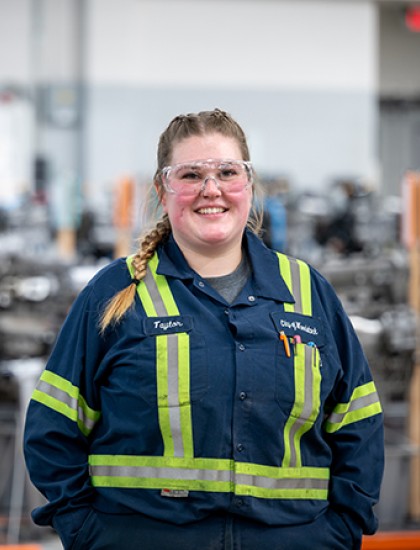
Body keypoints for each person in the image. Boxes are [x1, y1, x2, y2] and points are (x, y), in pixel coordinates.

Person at [24, 108, 384, 550]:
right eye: (190, 174)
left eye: (228, 172)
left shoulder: (308, 293)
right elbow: (52, 429)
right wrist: (88, 534)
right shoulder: (115, 294)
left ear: (249, 184)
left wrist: (341, 530)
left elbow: (359, 421)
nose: (211, 190)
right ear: (163, 188)